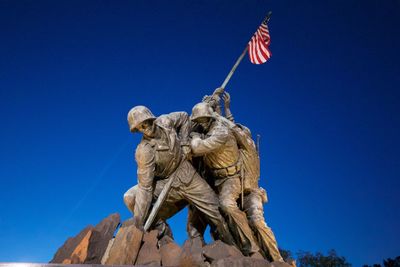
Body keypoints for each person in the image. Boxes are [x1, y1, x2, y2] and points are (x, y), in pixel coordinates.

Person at [123, 105, 234, 245]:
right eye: (140, 126)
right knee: (130, 197)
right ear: (137, 130)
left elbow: (183, 117)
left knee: (216, 212)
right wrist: (138, 223)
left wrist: (184, 144)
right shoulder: (144, 151)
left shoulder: (165, 121)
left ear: (151, 118)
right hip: (167, 185)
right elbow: (145, 187)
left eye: (146, 122)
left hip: (188, 175)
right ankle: (164, 235)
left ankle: (232, 246)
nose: (145, 127)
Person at [189, 102, 261, 256]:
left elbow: (197, 148)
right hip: (213, 178)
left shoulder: (221, 132)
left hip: (231, 177)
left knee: (226, 205)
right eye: (198, 121)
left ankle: (251, 246)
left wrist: (194, 136)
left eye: (203, 119)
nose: (200, 123)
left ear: (209, 118)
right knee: (199, 207)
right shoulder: (207, 130)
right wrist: (211, 102)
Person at [222, 92, 284, 262]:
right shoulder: (237, 150)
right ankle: (248, 250)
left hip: (251, 193)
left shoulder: (249, 147)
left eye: (240, 132)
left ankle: (277, 259)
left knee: (257, 222)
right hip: (237, 191)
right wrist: (225, 109)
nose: (236, 134)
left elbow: (233, 129)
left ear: (245, 135)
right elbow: (231, 127)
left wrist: (219, 113)